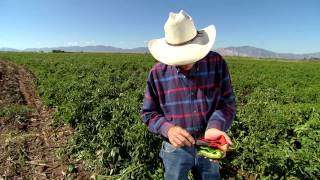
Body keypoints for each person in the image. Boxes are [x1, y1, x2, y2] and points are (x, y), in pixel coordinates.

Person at [141, 10, 236, 180]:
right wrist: (168, 129)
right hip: (175, 148)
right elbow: (149, 114)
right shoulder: (157, 73)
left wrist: (214, 126)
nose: (184, 62)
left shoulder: (216, 63)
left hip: (210, 143)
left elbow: (227, 103)